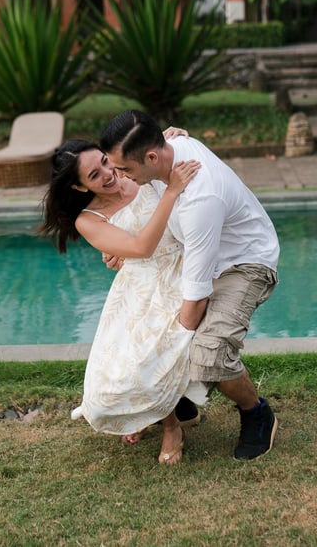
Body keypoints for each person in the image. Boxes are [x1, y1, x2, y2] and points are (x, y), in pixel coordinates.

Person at [100, 110, 280, 460]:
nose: (119, 176)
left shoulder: (200, 198)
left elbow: (196, 299)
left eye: (125, 170)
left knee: (208, 354)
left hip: (244, 264)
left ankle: (256, 413)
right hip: (199, 255)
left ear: (152, 157)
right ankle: (181, 403)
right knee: (144, 322)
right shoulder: (168, 150)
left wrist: (162, 353)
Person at [38, 137, 207, 465]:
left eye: (104, 160)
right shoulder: (87, 219)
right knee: (111, 380)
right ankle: (153, 416)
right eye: (93, 174)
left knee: (151, 356)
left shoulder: (134, 173)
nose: (107, 173)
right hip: (138, 285)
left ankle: (171, 426)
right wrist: (171, 191)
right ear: (77, 187)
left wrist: (171, 138)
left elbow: (158, 146)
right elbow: (141, 249)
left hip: (181, 272)